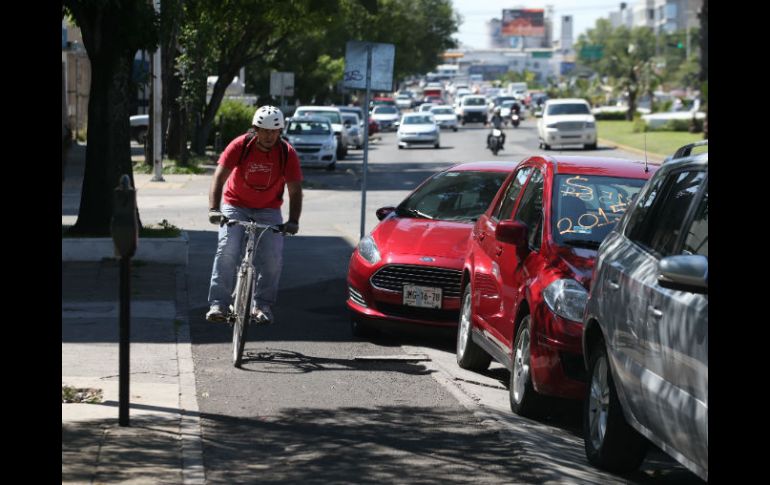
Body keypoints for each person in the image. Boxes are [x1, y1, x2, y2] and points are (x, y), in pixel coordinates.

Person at [206, 105, 303, 325]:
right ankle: (218, 305)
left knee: (272, 258)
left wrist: (293, 221)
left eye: (274, 131)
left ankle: (262, 305)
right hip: (235, 204)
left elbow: (295, 190)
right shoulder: (240, 145)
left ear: (280, 132)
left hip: (269, 209)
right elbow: (219, 178)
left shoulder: (287, 153)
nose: (269, 136)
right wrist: (214, 209)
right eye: (265, 130)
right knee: (227, 250)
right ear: (255, 129)